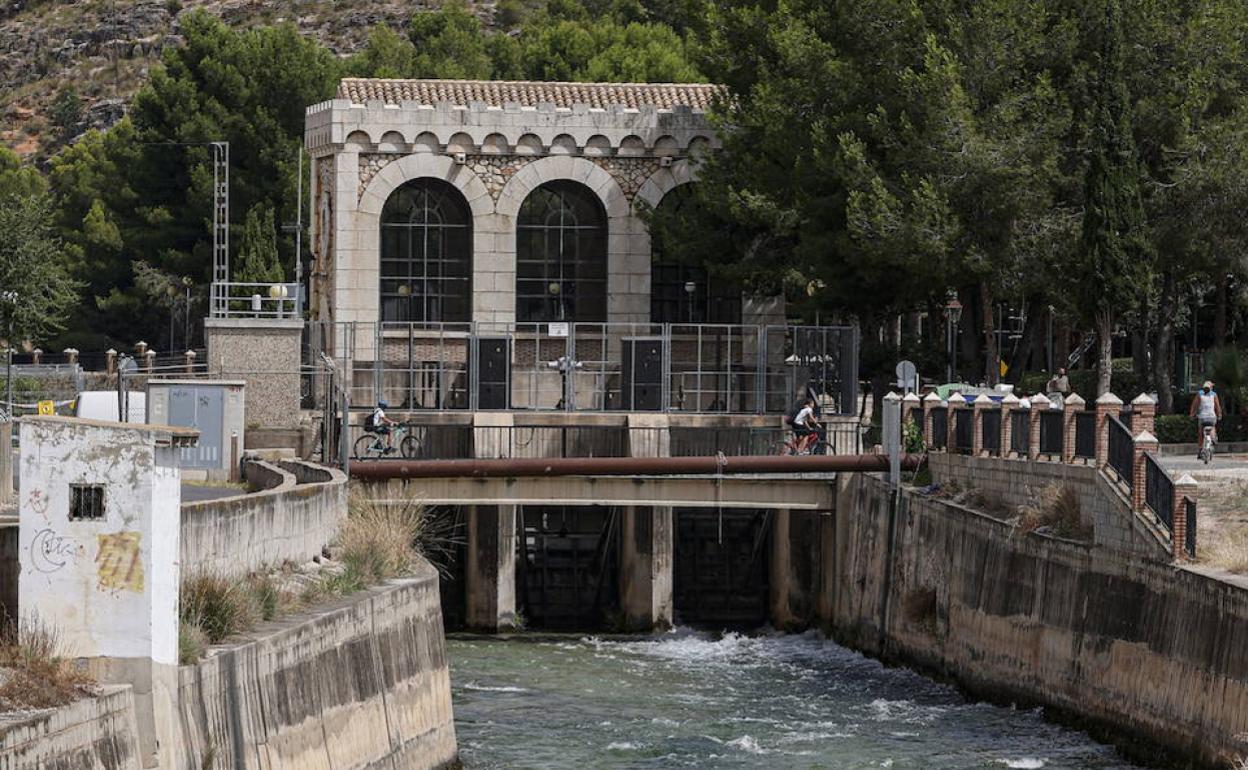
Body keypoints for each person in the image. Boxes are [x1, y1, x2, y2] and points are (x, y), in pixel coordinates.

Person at [1189, 381, 1222, 450]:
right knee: (1213, 426)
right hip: (1212, 416)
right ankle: (1213, 437)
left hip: (1202, 417)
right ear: (1211, 388)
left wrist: (1192, 414)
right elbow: (1217, 407)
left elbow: (1194, 406)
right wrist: (1219, 415)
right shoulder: (1214, 395)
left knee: (1200, 432)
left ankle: (1200, 448)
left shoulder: (1199, 394)